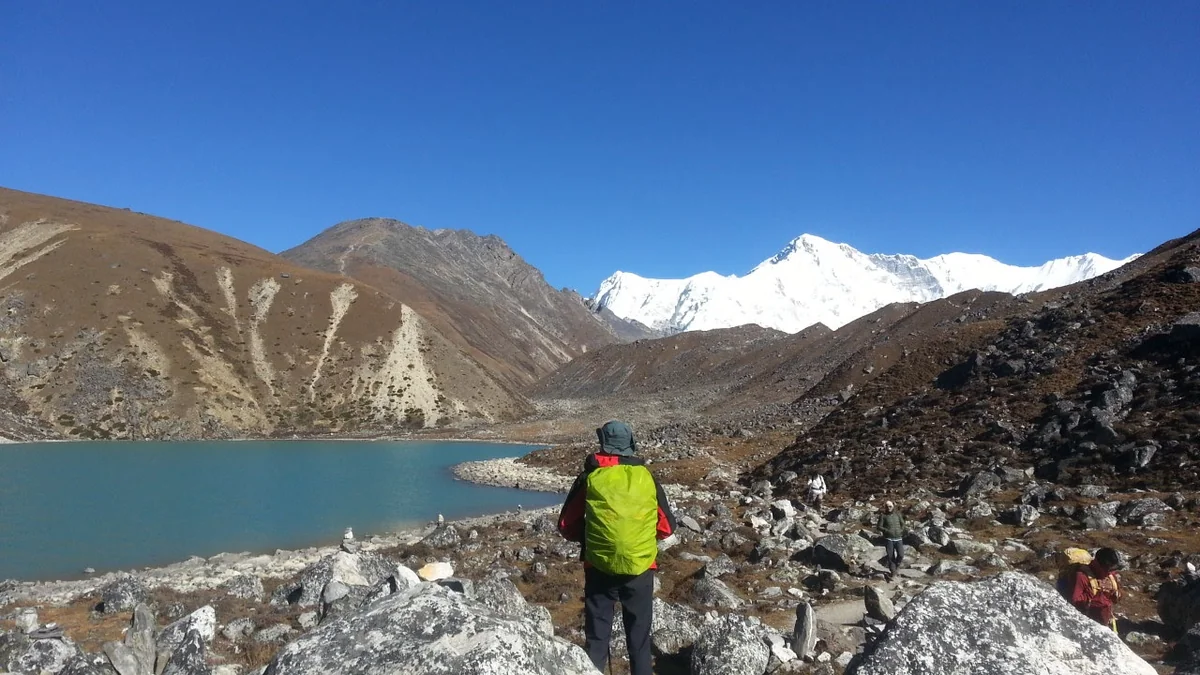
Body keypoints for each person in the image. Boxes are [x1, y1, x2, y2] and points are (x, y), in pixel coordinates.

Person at [558, 420, 676, 675]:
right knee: (639, 641)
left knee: (597, 639)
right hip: (640, 568)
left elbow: (566, 525)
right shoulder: (647, 477)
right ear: (630, 445)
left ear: (603, 443)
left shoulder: (590, 476)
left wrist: (591, 538)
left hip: (598, 567)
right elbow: (667, 528)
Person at [1068, 547, 1123, 631]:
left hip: (1105, 623)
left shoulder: (1110, 576)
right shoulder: (1082, 576)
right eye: (1109, 569)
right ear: (1100, 565)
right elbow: (1075, 601)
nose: (1110, 572)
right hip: (1086, 624)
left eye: (1112, 569)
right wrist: (1096, 594)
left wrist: (1115, 593)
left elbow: (1116, 598)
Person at [877, 501, 906, 575]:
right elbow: (879, 526)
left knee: (901, 555)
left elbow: (902, 524)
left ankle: (896, 566)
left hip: (899, 538)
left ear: (893, 506)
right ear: (885, 507)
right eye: (887, 506)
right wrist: (886, 531)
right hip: (889, 539)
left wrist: (901, 530)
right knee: (890, 556)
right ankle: (893, 571)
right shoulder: (883, 516)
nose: (888, 508)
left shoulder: (898, 514)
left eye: (890, 506)